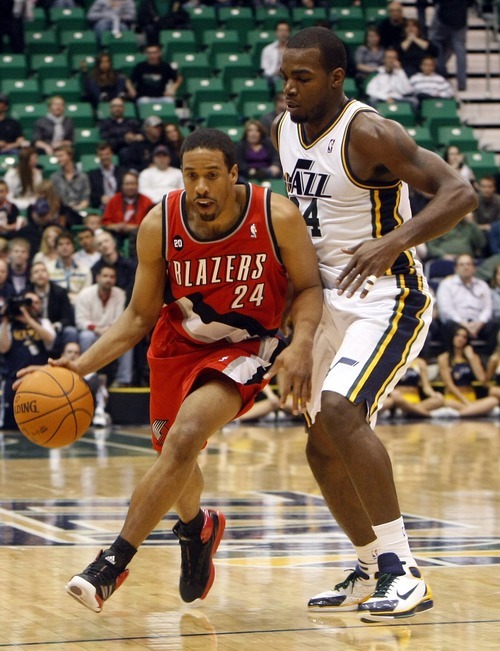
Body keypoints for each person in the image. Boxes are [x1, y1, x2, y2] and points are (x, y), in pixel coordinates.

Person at [16, 127, 322, 612]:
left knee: (183, 439)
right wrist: (79, 367)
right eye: (191, 175)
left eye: (212, 176)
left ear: (234, 175)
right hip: (176, 346)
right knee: (175, 456)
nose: (200, 187)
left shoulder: (275, 215)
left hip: (246, 344)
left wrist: (302, 342)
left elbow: (309, 288)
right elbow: (138, 316)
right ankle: (198, 528)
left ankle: (111, 564)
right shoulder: (161, 223)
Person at [273, 26, 477, 620]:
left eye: (303, 78)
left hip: (388, 295)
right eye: (286, 76)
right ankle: (368, 566)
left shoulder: (369, 132)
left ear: (336, 79)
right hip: (326, 300)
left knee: (340, 409)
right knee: (320, 445)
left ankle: (403, 570)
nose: (290, 87)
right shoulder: (283, 127)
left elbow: (458, 193)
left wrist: (394, 241)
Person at [0, 291, 55, 429]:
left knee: (42, 422)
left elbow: (50, 339)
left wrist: (29, 320)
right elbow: (3, 348)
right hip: (14, 377)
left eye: (36, 302)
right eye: (30, 302)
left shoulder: (43, 322)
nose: (33, 306)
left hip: (41, 378)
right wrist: (5, 319)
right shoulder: (9, 325)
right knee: (11, 424)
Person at [75, 263, 133, 387]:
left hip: (111, 332)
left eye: (112, 277)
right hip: (93, 332)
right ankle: (88, 375)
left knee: (128, 339)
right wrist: (97, 329)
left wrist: (109, 330)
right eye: (105, 276)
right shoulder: (85, 294)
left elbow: (120, 318)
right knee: (86, 337)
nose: (108, 279)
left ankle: (123, 380)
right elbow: (80, 320)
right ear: (97, 278)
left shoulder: (120, 294)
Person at [436, 253, 497, 355]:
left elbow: (487, 308)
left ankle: (488, 359)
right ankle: (452, 360)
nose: (466, 267)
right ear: (455, 268)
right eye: (462, 264)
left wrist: (479, 323)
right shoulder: (446, 285)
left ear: (474, 268)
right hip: (457, 323)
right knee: (448, 325)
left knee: (495, 324)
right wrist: (465, 325)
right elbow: (446, 311)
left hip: (478, 324)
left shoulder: (482, 285)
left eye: (469, 264)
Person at [435, 324, 498, 417]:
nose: (460, 339)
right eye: (457, 335)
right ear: (452, 337)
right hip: (453, 398)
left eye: (464, 337)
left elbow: (482, 380)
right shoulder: (444, 358)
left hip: (471, 397)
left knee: (494, 400)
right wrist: (466, 402)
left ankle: (462, 413)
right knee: (446, 402)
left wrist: (471, 358)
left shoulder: (472, 357)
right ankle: (472, 411)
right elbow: (449, 384)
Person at [28, 260, 79, 356]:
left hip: (55, 328)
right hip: (34, 328)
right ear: (31, 278)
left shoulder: (60, 292)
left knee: (71, 331)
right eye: (36, 272)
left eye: (43, 271)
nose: (40, 274)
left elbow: (68, 318)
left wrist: (56, 326)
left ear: (48, 275)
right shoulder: (26, 293)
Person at [102, 170, 155, 256]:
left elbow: (151, 225)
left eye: (133, 184)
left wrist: (134, 227)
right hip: (117, 234)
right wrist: (116, 226)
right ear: (122, 186)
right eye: (127, 184)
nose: (130, 187)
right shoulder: (114, 200)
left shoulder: (147, 201)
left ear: (138, 185)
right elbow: (105, 223)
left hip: (139, 236)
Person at [62, 340, 111, 428]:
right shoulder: (55, 373)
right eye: (69, 352)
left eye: (76, 352)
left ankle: (99, 412)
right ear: (62, 355)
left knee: (96, 380)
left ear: (80, 356)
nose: (72, 355)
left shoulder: (89, 373)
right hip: (59, 407)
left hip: (82, 407)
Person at [429, 0, 468, 92]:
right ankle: (462, 83)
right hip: (460, 19)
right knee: (460, 51)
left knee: (434, 42)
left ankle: (440, 70)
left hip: (444, 18)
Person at [46, 231, 93, 305]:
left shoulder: (85, 270)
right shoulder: (48, 269)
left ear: (73, 247)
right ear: (56, 249)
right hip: (56, 305)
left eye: (68, 244)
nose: (64, 247)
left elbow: (87, 294)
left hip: (79, 305)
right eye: (60, 244)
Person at [91, 229, 137, 299]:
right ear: (97, 250)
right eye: (99, 244)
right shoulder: (95, 269)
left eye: (106, 241)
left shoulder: (130, 265)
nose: (104, 245)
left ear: (114, 243)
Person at [50, 145, 91, 213]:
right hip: (61, 212)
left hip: (79, 211)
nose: (58, 159)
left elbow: (85, 199)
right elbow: (53, 199)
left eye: (61, 156)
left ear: (70, 156)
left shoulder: (83, 177)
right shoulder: (54, 177)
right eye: (56, 156)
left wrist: (76, 209)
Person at [87, 141, 127, 211]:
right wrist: (100, 198)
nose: (104, 157)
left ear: (111, 154)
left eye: (107, 154)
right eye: (101, 155)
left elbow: (126, 191)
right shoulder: (92, 175)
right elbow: (91, 194)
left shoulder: (122, 172)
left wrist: (116, 199)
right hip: (102, 207)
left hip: (120, 205)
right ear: (98, 156)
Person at [4, 146, 43, 211]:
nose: (37, 161)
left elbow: (38, 193)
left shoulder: (37, 174)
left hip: (32, 204)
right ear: (27, 160)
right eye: (34, 158)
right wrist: (18, 204)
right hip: (15, 204)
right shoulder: (11, 175)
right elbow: (8, 194)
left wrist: (31, 203)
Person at [260, 20, 291, 92]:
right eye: (280, 30)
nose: (283, 33)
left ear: (289, 32)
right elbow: (264, 69)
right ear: (276, 32)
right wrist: (274, 72)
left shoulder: (295, 49)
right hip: (273, 77)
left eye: (285, 30)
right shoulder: (268, 49)